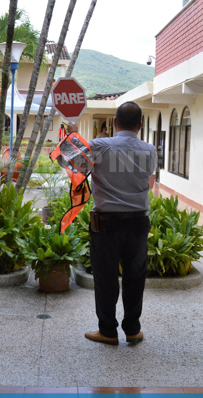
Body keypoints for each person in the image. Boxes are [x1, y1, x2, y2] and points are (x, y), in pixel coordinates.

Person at [67, 102, 156, 346]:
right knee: (135, 276)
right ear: (140, 125)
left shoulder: (99, 146)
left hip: (106, 223)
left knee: (106, 277)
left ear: (114, 123)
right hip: (138, 221)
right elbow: (148, 180)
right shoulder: (150, 150)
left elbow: (74, 166)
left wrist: (73, 135)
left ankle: (107, 330)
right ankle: (133, 330)